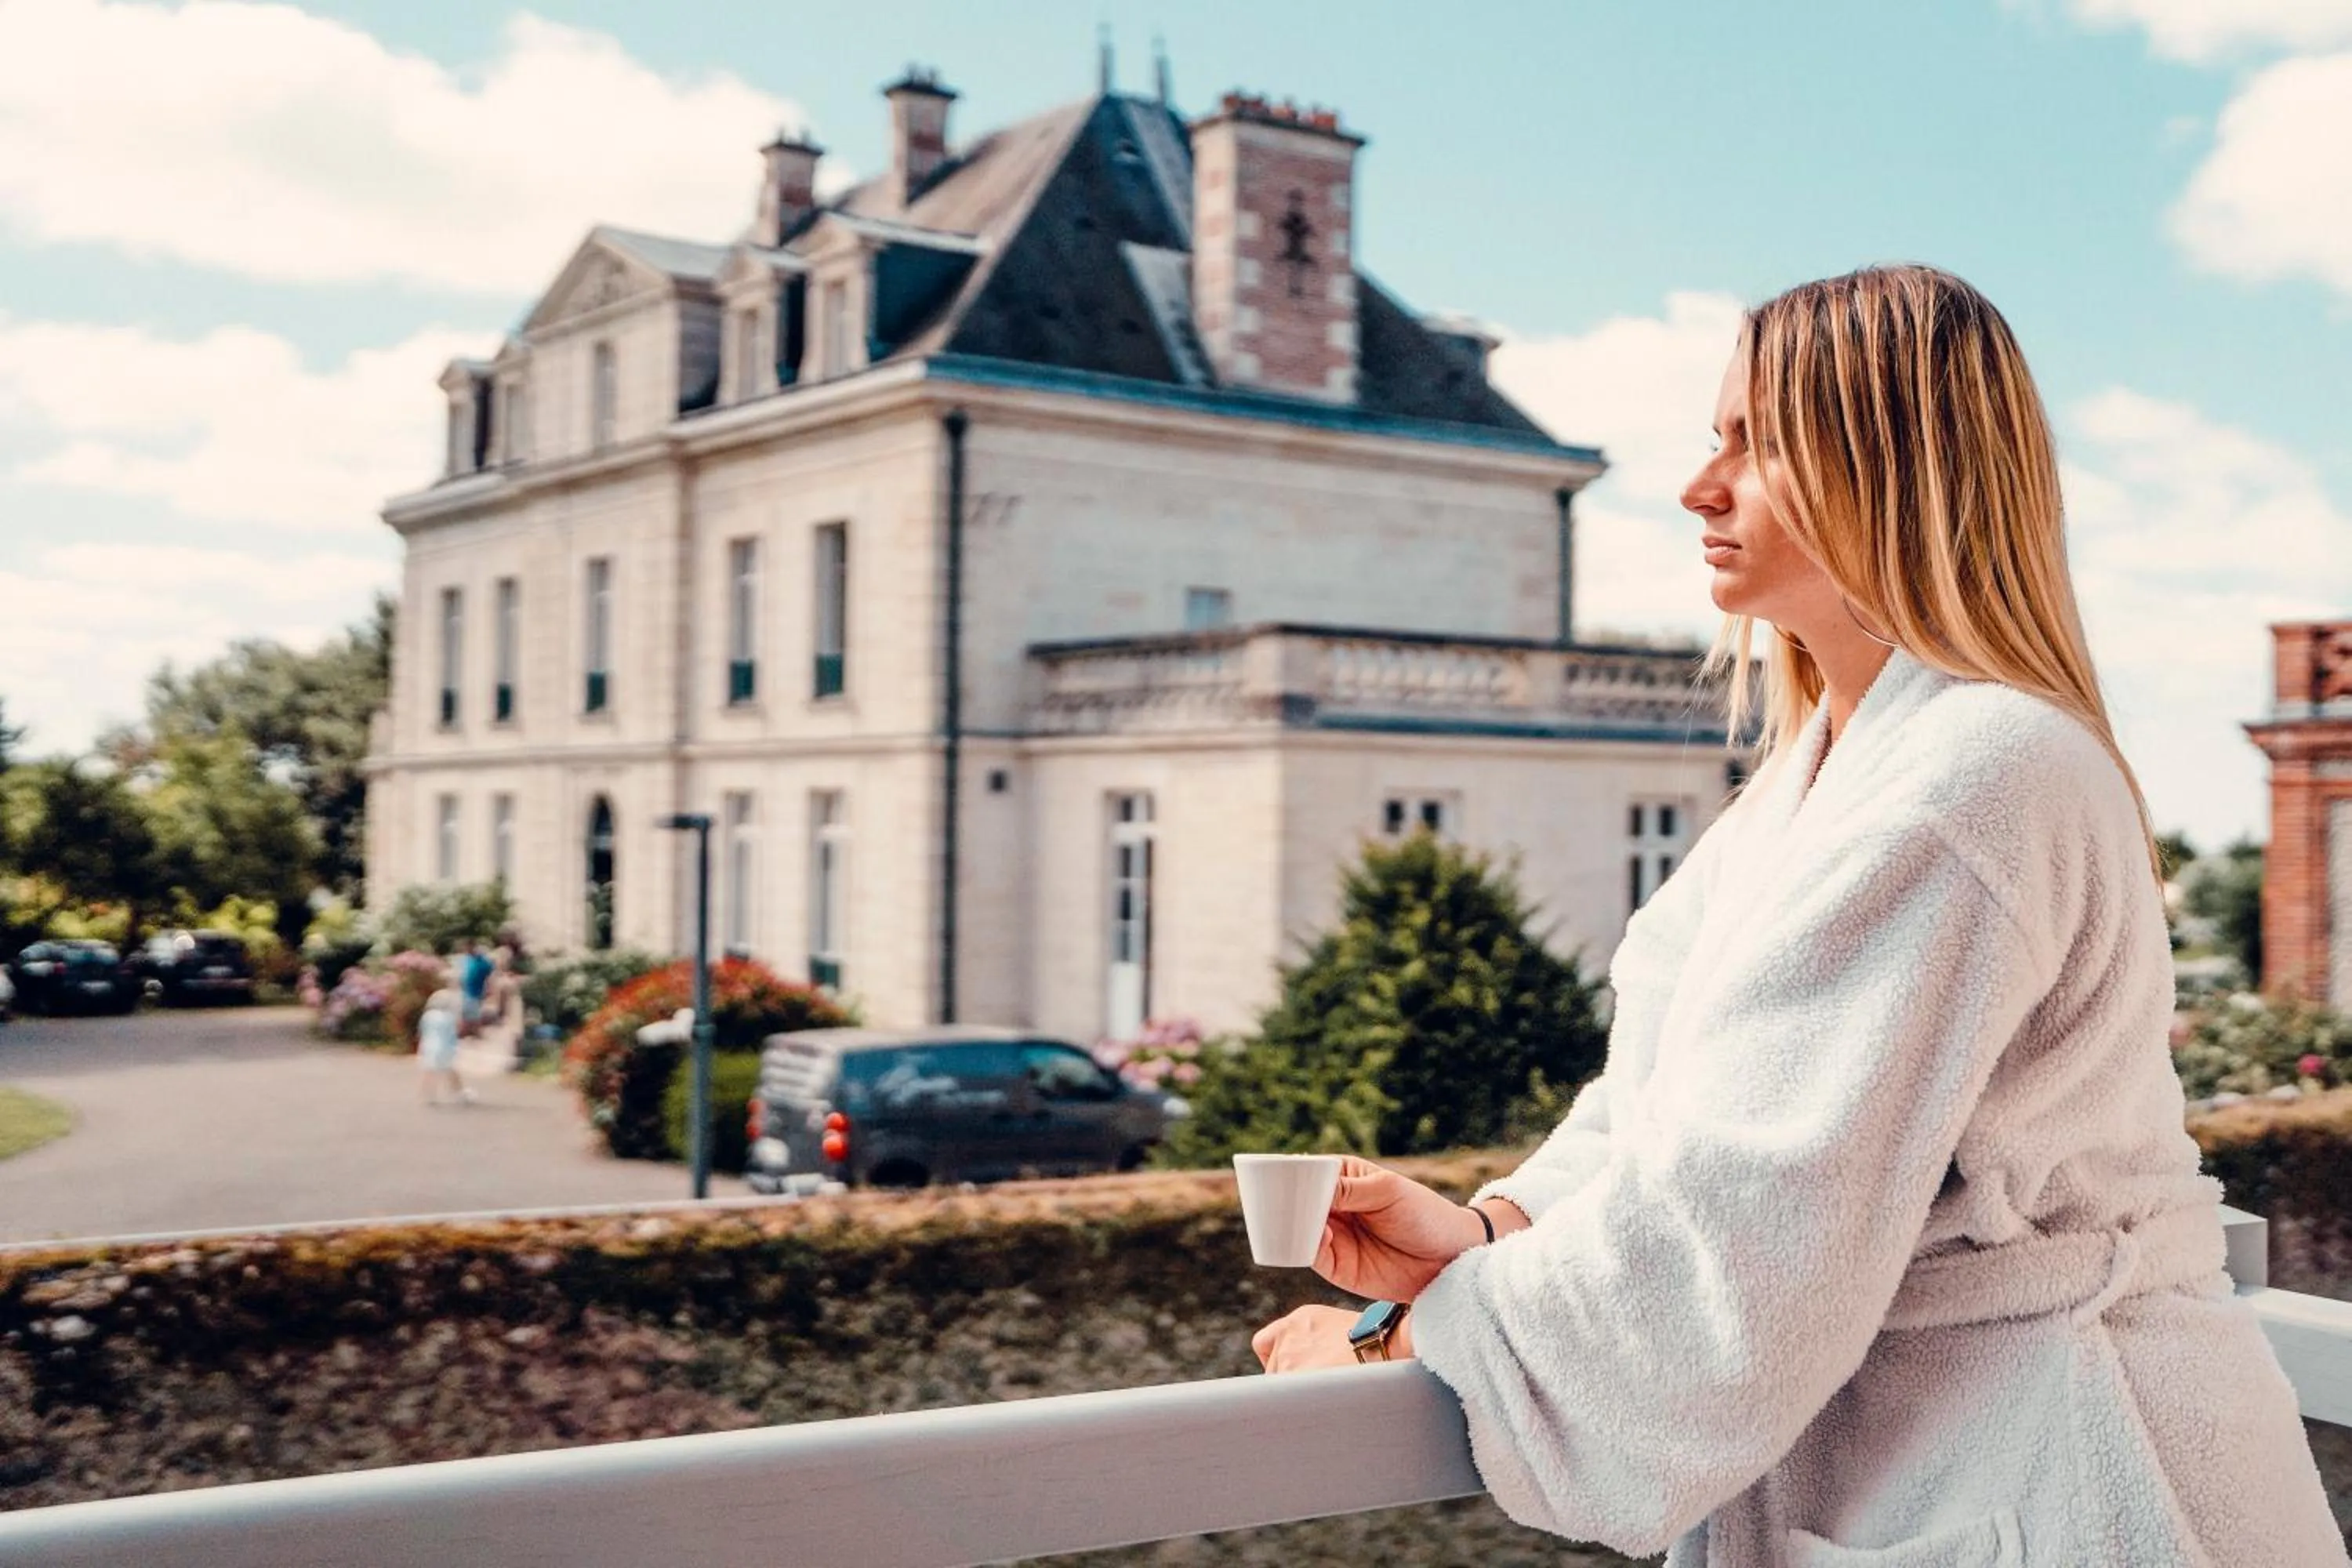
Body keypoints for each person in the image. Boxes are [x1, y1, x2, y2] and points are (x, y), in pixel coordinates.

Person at [1249, 265, 2344, 1566]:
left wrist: (1408, 1333)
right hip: (1949, 1460)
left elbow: (1743, 1237)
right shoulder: (1827, 776)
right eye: (1718, 438)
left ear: (1893, 472)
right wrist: (1497, 1230)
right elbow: (1680, 1107)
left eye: (1757, 445)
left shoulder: (1966, 783)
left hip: (2068, 1469)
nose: (1699, 486)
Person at [416, 985, 472, 1106]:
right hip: (444, 1048)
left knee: (429, 1071)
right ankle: (460, 1093)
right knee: (451, 1071)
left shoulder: (428, 1016)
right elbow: (453, 1034)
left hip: (428, 1047)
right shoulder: (448, 1017)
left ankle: (428, 1095)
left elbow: (422, 1031)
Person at [457, 938, 494, 1038]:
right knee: (466, 1012)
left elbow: (490, 975)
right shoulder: (466, 959)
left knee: (473, 1012)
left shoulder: (482, 961)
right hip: (465, 991)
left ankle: (473, 1032)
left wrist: (489, 988)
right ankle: (468, 1032)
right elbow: (462, 974)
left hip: (475, 991)